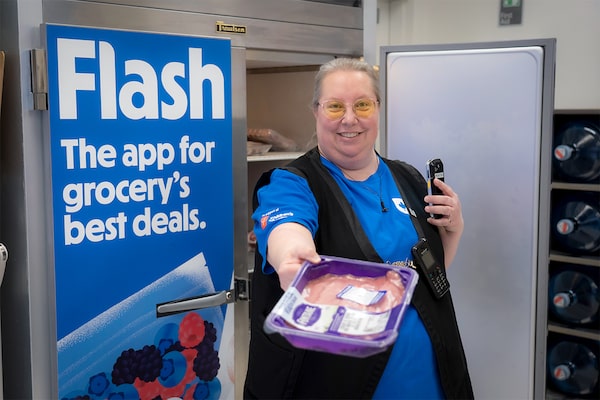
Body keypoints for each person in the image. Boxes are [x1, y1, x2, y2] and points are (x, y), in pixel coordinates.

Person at [243, 57, 473, 399]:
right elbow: (286, 224)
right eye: (335, 106)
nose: (349, 119)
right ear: (316, 111)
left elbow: (428, 279)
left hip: (432, 382)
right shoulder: (293, 182)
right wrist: (292, 256)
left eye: (362, 105)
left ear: (377, 108)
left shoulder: (407, 177)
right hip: (339, 385)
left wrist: (453, 230)